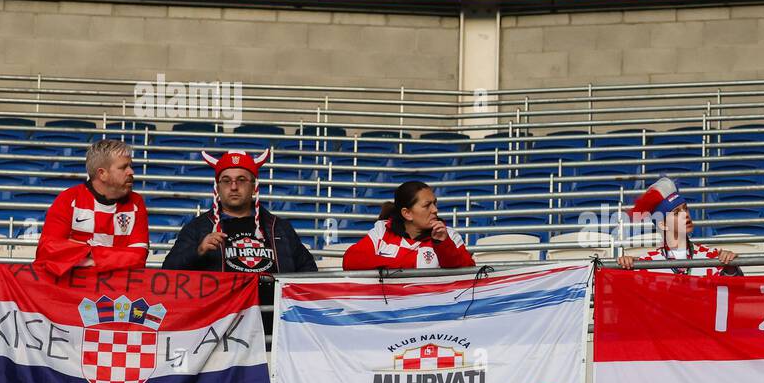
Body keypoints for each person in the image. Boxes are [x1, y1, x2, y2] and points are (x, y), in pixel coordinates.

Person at [162, 148, 317, 276]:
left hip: (270, 311)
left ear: (253, 186)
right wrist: (198, 251)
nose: (234, 187)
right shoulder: (198, 228)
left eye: (241, 180)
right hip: (222, 311)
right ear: (218, 187)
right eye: (226, 181)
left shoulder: (279, 228)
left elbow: (308, 272)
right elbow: (167, 272)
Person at [36, 138, 150, 276]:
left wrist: (88, 256)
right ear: (102, 174)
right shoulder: (69, 199)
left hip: (116, 291)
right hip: (71, 290)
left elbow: (138, 257)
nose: (131, 171)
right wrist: (114, 256)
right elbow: (47, 251)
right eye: (123, 167)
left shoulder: (136, 203)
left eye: (130, 166)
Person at [616, 177, 741, 276]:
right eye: (676, 213)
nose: (685, 215)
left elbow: (735, 295)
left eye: (685, 209)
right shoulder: (646, 264)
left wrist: (731, 268)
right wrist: (625, 268)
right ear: (663, 224)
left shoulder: (714, 257)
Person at [342, 179, 475, 270]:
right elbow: (350, 260)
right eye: (427, 205)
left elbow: (468, 271)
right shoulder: (382, 230)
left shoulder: (449, 235)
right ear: (407, 214)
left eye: (435, 203)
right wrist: (411, 265)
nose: (435, 210)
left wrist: (443, 245)